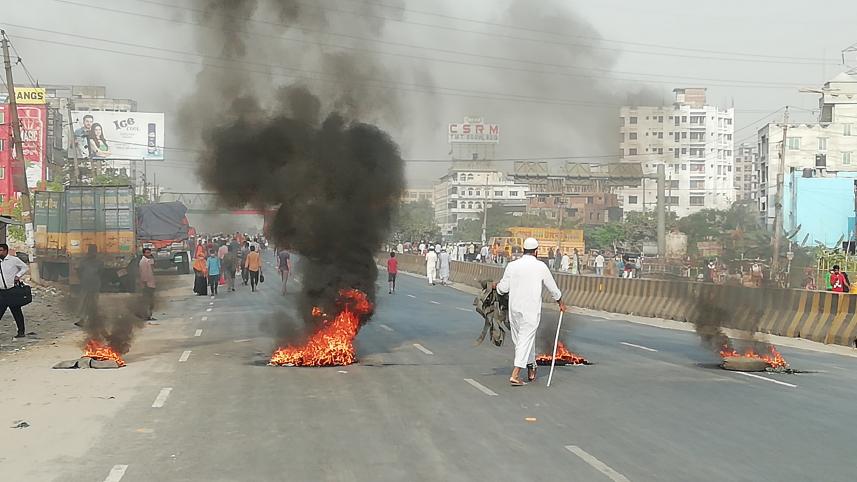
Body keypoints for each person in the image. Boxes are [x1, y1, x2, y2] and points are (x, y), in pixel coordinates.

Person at [496, 238, 565, 386]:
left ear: (523, 250)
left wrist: (496, 287)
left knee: (522, 340)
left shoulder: (512, 265)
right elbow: (552, 288)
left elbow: (503, 289)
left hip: (514, 309)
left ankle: (531, 365)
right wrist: (560, 302)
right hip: (531, 310)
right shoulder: (540, 266)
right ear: (536, 251)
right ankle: (515, 374)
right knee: (524, 340)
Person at [0, 243, 30, 340]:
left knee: (16, 312)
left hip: (12, 291)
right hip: (1, 292)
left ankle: (21, 332)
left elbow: (25, 267)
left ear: (5, 251)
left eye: (0, 250)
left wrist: (18, 275)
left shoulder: (13, 260)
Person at [76, 245, 103, 328]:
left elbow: (79, 271)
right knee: (94, 302)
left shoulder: (83, 261)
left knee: (84, 301)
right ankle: (94, 320)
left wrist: (82, 279)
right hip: (95, 283)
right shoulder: (99, 262)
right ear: (96, 251)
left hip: (86, 283)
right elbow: (101, 273)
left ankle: (82, 319)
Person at [139, 248, 156, 320]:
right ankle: (146, 316)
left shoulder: (148, 261)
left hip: (151, 284)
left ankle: (149, 315)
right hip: (147, 284)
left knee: (150, 301)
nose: (149, 254)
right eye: (147, 253)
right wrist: (145, 283)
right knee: (147, 301)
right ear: (144, 254)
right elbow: (143, 274)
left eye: (149, 253)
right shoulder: (143, 262)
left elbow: (153, 268)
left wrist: (152, 259)